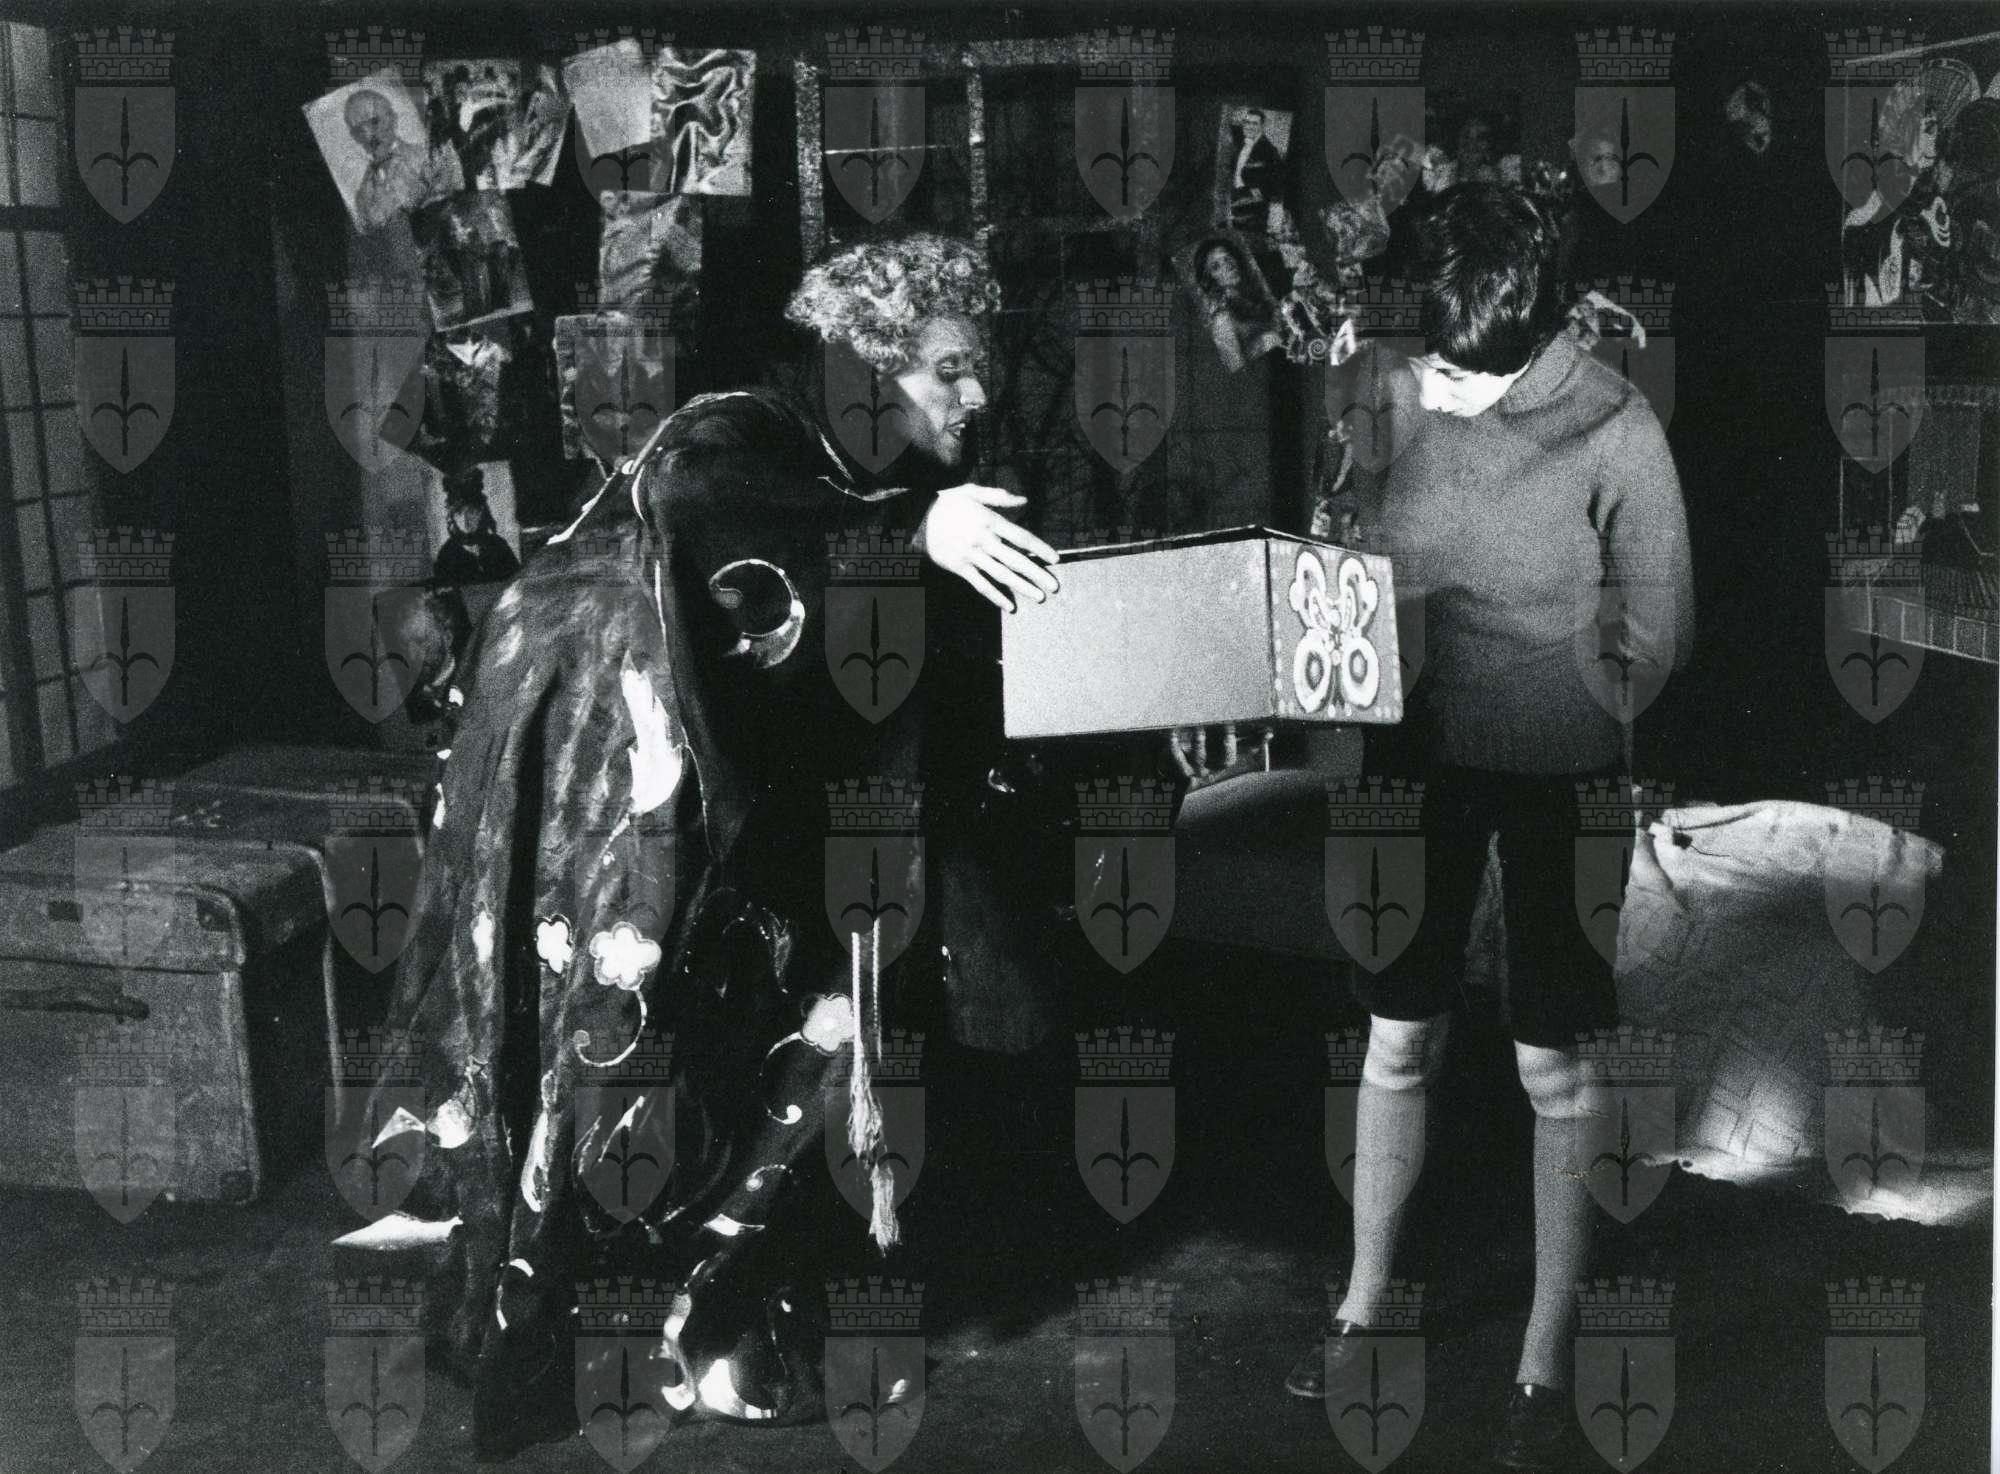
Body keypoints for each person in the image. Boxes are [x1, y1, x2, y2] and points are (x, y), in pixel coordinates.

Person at [341, 232, 1064, 1458]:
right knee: (630, 1028)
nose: (976, 394)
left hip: (672, 771)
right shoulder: (737, 431)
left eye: (977, 368)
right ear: (867, 365)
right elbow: (697, 507)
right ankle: (628, 1317)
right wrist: (911, 530)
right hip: (606, 772)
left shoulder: (855, 464)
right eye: (947, 369)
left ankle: (710, 1307)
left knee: (752, 1021)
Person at [1294, 183, 1693, 1471]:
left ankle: (1543, 1347)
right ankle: (1362, 1302)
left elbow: (1658, 631)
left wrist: (1554, 700)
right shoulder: (1382, 383)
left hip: (1556, 765)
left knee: (1548, 1063)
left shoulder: (1614, 422)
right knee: (1394, 1033)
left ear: (1536, 328)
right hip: (1409, 752)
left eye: (1475, 371)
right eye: (1435, 362)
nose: (1447, 389)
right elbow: (1332, 551)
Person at [344, 85, 457, 232]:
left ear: (393, 119)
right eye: (358, 130)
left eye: (374, 121)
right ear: (354, 137)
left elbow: (452, 199)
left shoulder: (428, 156)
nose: (367, 134)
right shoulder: (363, 197)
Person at [1189, 234, 1282, 371]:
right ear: (1210, 279)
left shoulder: (1257, 293)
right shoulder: (1222, 321)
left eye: (1227, 258)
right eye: (1216, 266)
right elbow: (1238, 369)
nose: (1227, 266)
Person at [1227, 107, 1286, 234]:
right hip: (1235, 202)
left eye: (1254, 123)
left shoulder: (1270, 150)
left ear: (1262, 126)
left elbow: (1278, 182)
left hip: (1254, 211)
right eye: (1247, 122)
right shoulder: (1241, 145)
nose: (1249, 126)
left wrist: (1255, 195)